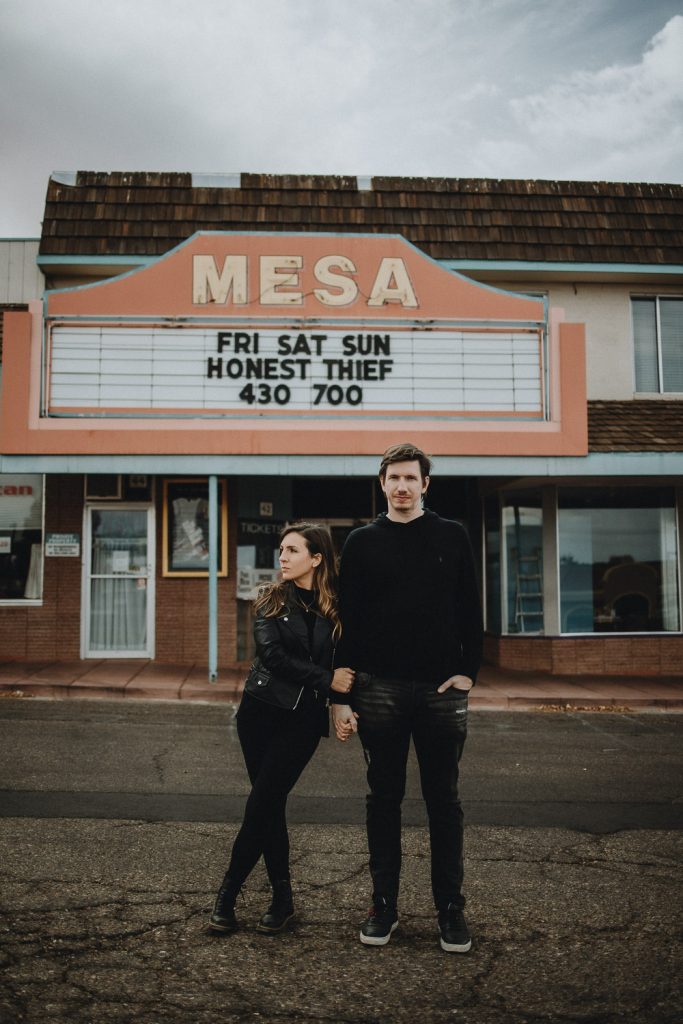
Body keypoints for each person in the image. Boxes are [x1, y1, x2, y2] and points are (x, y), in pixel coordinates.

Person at [332, 443, 483, 952]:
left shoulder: (452, 535)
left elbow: (470, 610)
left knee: (444, 802)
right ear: (382, 484)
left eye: (410, 478)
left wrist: (468, 672)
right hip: (380, 689)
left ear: (425, 485)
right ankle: (384, 906)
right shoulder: (361, 542)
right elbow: (347, 625)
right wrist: (343, 693)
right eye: (393, 477)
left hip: (442, 690)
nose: (401, 486)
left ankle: (450, 909)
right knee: (384, 801)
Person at [209, 522, 354, 935]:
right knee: (268, 804)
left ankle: (228, 896)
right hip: (258, 714)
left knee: (263, 802)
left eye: (292, 550)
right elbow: (271, 656)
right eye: (282, 550)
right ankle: (282, 899)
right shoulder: (269, 599)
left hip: (302, 721)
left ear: (317, 558)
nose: (283, 557)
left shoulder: (339, 607)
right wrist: (328, 681)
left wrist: (342, 702)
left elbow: (348, 659)